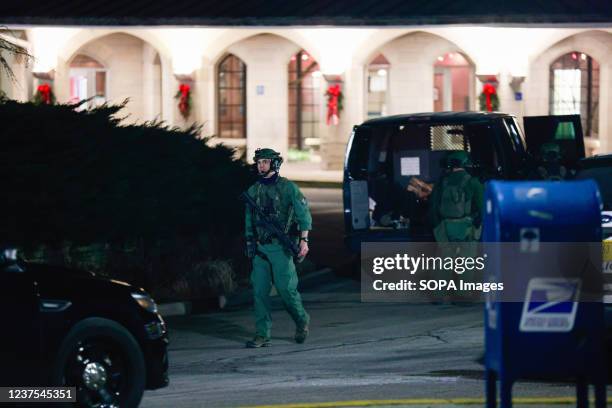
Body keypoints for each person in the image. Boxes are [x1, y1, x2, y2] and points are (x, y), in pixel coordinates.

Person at [244, 148, 312, 348]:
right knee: (259, 291)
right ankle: (262, 334)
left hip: (281, 248)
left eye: (265, 162)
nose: (261, 165)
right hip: (261, 249)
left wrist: (304, 240)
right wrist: (249, 242)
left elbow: (303, 214)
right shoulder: (253, 190)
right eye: (258, 162)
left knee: (286, 290)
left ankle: (301, 320)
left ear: (274, 164)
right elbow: (249, 219)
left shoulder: (288, 188)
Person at [430, 150, 484, 243]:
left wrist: (439, 232)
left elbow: (433, 208)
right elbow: (482, 208)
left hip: (444, 233)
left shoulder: (441, 183)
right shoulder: (473, 182)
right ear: (465, 163)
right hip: (467, 232)